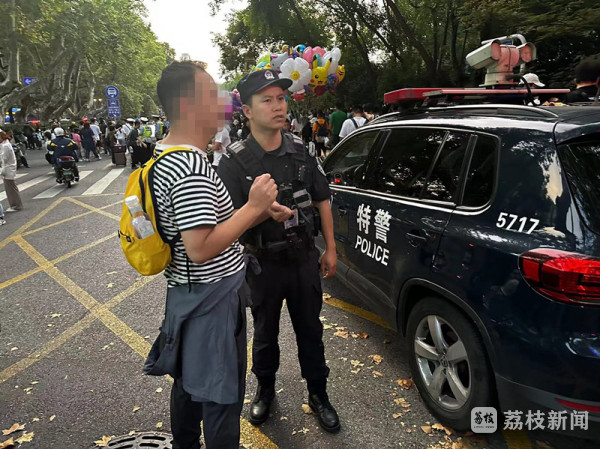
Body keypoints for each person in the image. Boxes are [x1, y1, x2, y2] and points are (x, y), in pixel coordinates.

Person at [145, 59, 280, 449]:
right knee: (221, 397)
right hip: (211, 302)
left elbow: (207, 224)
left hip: (190, 295)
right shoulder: (189, 166)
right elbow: (200, 248)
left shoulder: (167, 155)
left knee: (189, 385)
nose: (224, 100)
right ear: (189, 105)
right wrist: (253, 207)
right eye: (213, 93)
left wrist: (259, 211)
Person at [217, 69, 340, 433]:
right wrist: (259, 212)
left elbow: (322, 198)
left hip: (303, 259)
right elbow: (226, 219)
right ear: (247, 111)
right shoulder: (234, 161)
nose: (278, 106)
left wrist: (330, 249)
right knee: (265, 333)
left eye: (281, 99)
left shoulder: (301, 150)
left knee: (311, 331)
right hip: (262, 264)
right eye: (267, 100)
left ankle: (319, 394)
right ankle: (265, 391)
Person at [0, 130, 23, 212]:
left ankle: (16, 206)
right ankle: (14, 205)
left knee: (11, 189)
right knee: (10, 189)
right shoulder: (5, 144)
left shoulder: (5, 146)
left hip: (8, 169)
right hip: (8, 169)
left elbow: (4, 158)